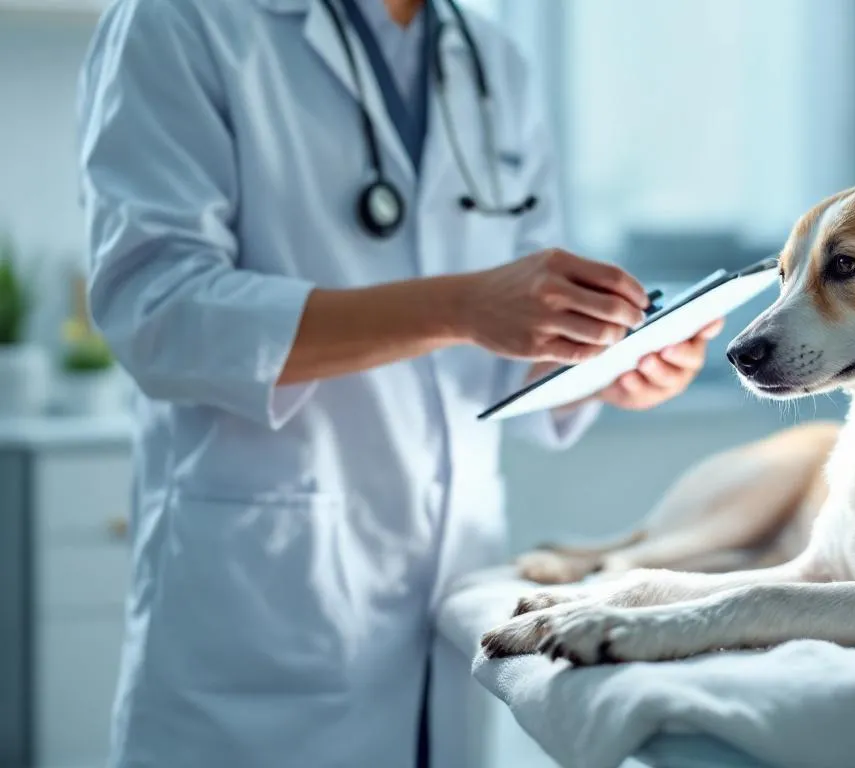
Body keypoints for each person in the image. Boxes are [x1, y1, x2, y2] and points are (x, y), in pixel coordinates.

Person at [74, 0, 723, 766]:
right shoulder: (184, 22)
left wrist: (601, 367)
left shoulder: (488, 62)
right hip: (265, 614)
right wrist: (460, 306)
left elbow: (504, 343)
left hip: (450, 595)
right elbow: (159, 313)